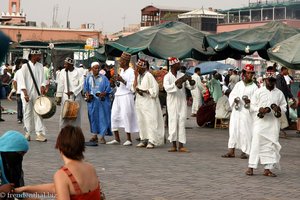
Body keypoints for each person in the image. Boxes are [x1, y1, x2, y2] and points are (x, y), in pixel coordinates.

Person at [14, 125, 102, 199]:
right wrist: (26, 189)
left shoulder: (62, 175)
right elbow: (56, 187)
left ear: (60, 146)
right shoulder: (90, 168)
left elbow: (61, 185)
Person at [245, 69, 286, 177]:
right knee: (256, 144)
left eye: (273, 80)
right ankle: (251, 167)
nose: (271, 82)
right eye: (269, 80)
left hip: (273, 123)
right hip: (261, 123)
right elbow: (252, 105)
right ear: (265, 80)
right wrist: (260, 109)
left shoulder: (279, 93)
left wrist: (278, 109)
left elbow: (284, 106)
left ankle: (268, 169)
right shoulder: (258, 91)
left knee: (271, 145)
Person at [222, 64, 258, 159]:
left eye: (251, 73)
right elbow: (232, 95)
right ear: (244, 73)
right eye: (248, 73)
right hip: (236, 112)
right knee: (233, 130)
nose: (250, 75)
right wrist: (235, 100)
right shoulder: (238, 84)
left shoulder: (254, 87)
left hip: (246, 112)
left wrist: (249, 102)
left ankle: (244, 151)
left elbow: (256, 101)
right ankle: (231, 151)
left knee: (245, 131)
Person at [106, 52, 139, 146]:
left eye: (121, 60)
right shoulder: (121, 70)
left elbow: (133, 87)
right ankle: (117, 139)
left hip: (126, 96)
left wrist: (122, 80)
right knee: (114, 116)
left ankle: (129, 139)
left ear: (126, 61)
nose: (120, 62)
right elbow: (118, 85)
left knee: (126, 116)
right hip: (118, 95)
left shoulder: (131, 71)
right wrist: (113, 82)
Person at [163, 57, 195, 152]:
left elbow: (191, 87)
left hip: (181, 101)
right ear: (173, 65)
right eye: (178, 64)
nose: (180, 65)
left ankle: (181, 145)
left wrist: (191, 81)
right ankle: (173, 145)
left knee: (182, 121)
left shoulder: (182, 74)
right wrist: (177, 83)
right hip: (172, 101)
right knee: (172, 121)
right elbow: (167, 89)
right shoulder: (167, 77)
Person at [133, 59, 164, 149]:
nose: (137, 69)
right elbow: (134, 88)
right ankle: (144, 139)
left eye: (138, 67)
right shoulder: (138, 76)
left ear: (143, 67)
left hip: (149, 102)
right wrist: (135, 77)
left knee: (150, 121)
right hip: (140, 102)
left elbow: (155, 90)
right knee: (141, 120)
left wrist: (145, 91)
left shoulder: (149, 76)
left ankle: (152, 140)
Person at [19, 49, 47, 142]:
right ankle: (27, 133)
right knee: (27, 113)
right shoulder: (24, 67)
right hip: (27, 94)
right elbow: (21, 81)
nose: (40, 56)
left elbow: (43, 79)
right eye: (38, 55)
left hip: (37, 94)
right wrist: (25, 94)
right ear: (32, 56)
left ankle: (39, 133)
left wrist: (43, 86)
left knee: (38, 113)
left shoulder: (40, 66)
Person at [84, 62, 112, 145]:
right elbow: (86, 89)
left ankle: (102, 136)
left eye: (98, 68)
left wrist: (104, 93)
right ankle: (94, 135)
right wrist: (87, 94)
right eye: (95, 68)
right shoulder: (88, 78)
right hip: (92, 102)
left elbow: (109, 89)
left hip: (102, 102)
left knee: (102, 118)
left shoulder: (104, 78)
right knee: (92, 118)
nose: (97, 70)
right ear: (92, 69)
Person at [56, 57, 84, 129]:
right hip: (65, 98)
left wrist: (73, 92)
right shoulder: (62, 72)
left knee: (76, 117)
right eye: (64, 64)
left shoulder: (79, 71)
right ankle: (62, 133)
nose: (65, 66)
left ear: (71, 65)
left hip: (76, 97)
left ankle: (75, 134)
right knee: (64, 116)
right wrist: (58, 96)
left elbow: (82, 84)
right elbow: (60, 84)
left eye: (66, 64)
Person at [0, 130, 29, 199]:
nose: (21, 158)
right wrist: (1, 190)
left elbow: (19, 191)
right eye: (20, 153)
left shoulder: (13, 167)